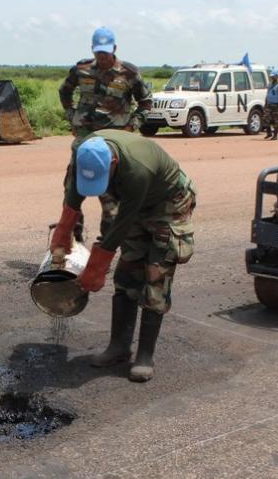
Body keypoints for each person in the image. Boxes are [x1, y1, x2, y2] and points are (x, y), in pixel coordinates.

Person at [48, 130, 196, 382]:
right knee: (127, 273)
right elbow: (73, 195)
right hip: (132, 200)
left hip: (168, 204)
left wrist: (96, 268)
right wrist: (64, 231)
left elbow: (122, 224)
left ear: (113, 163)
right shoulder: (83, 153)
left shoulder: (137, 170)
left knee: (155, 275)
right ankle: (119, 347)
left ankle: (145, 356)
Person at [57, 27, 152, 243]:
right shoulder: (81, 70)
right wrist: (72, 116)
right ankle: (72, 240)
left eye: (106, 52)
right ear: (92, 49)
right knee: (72, 189)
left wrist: (131, 127)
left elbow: (146, 102)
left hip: (113, 143)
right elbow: (64, 92)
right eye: (98, 51)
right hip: (84, 140)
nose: (102, 56)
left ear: (114, 49)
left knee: (110, 196)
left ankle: (106, 244)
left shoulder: (129, 73)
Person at [263, 69, 278, 140]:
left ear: (276, 76)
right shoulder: (270, 84)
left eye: (273, 76)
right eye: (271, 76)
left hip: (276, 105)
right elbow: (268, 94)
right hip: (269, 104)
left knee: (276, 121)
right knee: (265, 119)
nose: (272, 77)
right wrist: (265, 104)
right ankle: (269, 133)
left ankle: (275, 135)